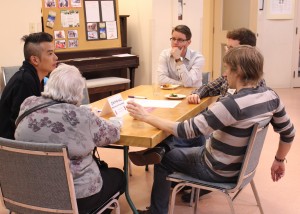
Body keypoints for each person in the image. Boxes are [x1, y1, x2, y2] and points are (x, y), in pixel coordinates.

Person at [126, 46, 295, 214]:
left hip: (216, 169)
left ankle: (157, 210)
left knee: (164, 160)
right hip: (243, 168)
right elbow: (289, 133)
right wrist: (279, 160)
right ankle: (162, 149)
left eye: (227, 68)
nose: (225, 74)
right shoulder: (271, 96)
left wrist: (146, 116)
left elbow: (185, 130)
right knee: (190, 142)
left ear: (239, 72)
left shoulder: (231, 104)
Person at [14, 63, 126, 214]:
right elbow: (113, 134)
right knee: (119, 177)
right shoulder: (81, 116)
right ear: (78, 92)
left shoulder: (28, 103)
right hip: (74, 197)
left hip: (29, 192)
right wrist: (115, 122)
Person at [0, 32, 58, 140]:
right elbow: (21, 125)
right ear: (35, 60)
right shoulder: (24, 82)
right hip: (12, 147)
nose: (56, 57)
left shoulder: (36, 77)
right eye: (50, 54)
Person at [188, 27, 265, 104]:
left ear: (245, 51)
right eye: (227, 47)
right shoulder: (230, 73)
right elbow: (208, 88)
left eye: (231, 48)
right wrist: (196, 94)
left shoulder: (255, 82)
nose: (227, 52)